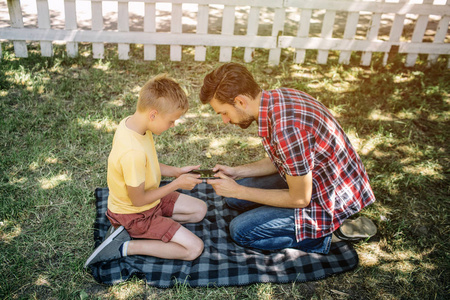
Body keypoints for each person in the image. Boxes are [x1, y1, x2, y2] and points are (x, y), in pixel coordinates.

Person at [199, 63, 376, 254]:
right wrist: (236, 172)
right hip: (313, 179)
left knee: (241, 231)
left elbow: (300, 199)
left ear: (241, 101)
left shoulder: (287, 129)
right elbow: (283, 159)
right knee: (234, 200)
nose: (225, 120)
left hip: (328, 198)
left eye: (224, 112)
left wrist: (240, 190)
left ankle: (329, 233)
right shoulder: (276, 99)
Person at [85, 74, 207, 267]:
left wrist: (177, 172)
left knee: (200, 210)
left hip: (150, 203)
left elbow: (147, 165)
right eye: (171, 121)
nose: (173, 125)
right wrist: (176, 184)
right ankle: (124, 245)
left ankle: (153, 227)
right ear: (153, 114)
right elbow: (138, 200)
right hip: (134, 214)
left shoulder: (133, 124)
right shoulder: (132, 152)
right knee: (194, 248)